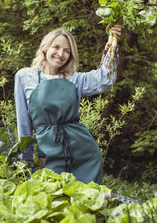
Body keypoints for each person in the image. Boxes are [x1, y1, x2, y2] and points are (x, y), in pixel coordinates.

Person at [14, 26, 124, 185]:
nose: (60, 54)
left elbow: (105, 78)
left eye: (66, 50)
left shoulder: (75, 80)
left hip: (83, 152)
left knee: (84, 201)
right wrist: (26, 159)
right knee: (53, 197)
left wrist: (112, 43)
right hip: (50, 153)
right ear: (45, 48)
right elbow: (23, 123)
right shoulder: (25, 76)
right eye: (56, 47)